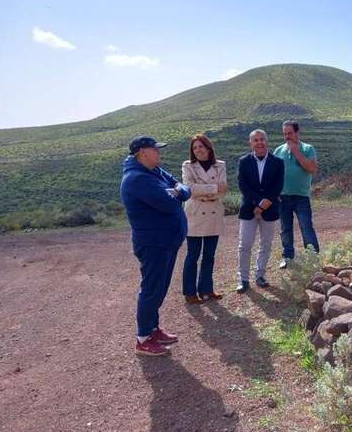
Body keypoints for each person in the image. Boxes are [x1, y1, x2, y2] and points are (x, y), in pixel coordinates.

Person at [120, 135, 191, 356]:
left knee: (159, 288)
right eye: (155, 149)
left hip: (166, 242)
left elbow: (184, 189)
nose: (159, 153)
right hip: (153, 244)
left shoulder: (154, 171)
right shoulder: (137, 179)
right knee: (151, 290)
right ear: (143, 152)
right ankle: (143, 339)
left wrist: (177, 190)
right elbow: (169, 205)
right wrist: (175, 193)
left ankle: (153, 329)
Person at [236, 129, 284, 293]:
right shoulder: (244, 161)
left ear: (267, 141)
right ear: (250, 143)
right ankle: (243, 279)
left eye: (262, 139)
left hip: (270, 209)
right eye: (255, 140)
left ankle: (260, 275)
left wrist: (264, 204)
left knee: (266, 244)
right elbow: (242, 185)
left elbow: (278, 186)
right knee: (245, 245)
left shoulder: (278, 162)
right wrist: (258, 202)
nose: (259, 142)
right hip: (248, 208)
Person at [181, 134, 227, 303]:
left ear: (208, 147)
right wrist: (213, 188)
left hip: (213, 213)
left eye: (201, 146)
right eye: (195, 148)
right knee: (192, 255)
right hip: (195, 214)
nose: (198, 150)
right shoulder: (188, 166)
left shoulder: (220, 165)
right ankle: (190, 293)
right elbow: (190, 189)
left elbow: (224, 190)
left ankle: (207, 290)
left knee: (209, 255)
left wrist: (203, 190)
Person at [273, 120, 319, 269]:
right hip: (282, 197)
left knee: (306, 227)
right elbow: (273, 173)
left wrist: (296, 152)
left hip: (301, 197)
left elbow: (312, 169)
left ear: (297, 133)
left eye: (290, 133)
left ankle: (313, 257)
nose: (287, 136)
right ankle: (287, 257)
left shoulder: (308, 148)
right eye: (285, 134)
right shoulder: (278, 150)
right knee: (285, 229)